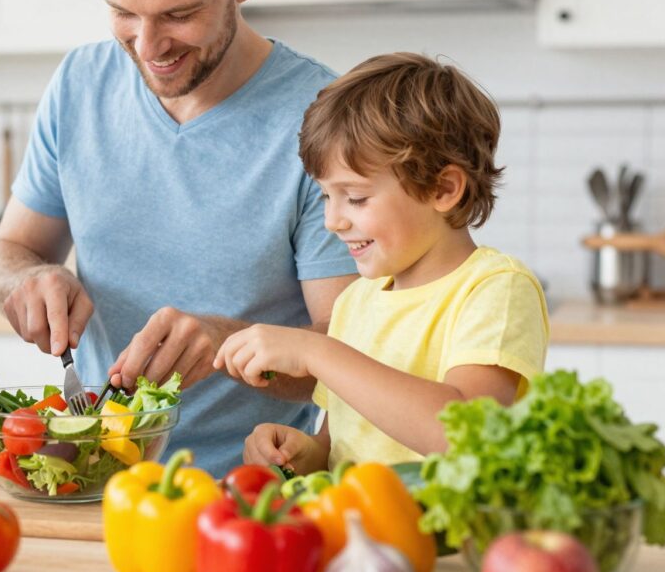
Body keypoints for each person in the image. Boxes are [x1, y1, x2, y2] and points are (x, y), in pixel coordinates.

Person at [0, 0, 357, 477]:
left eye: (178, 15)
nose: (148, 45)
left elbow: (351, 359)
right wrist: (29, 280)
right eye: (123, 13)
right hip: (97, 479)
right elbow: (10, 251)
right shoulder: (80, 84)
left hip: (250, 491)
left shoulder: (322, 118)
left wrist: (227, 345)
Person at [216, 52, 550, 473]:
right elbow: (338, 447)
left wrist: (317, 352)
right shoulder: (356, 301)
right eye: (326, 196)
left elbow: (466, 436)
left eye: (356, 198)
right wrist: (302, 453)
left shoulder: (494, 289)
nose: (333, 221)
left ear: (443, 189)